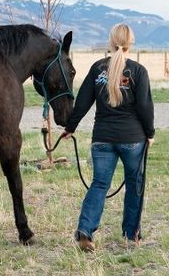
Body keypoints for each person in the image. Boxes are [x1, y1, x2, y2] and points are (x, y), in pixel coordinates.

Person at [61, 23, 154, 252]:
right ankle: (131, 235)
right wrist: (150, 133)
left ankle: (85, 230)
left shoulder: (97, 69)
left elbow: (82, 102)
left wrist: (70, 127)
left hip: (102, 138)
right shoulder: (138, 71)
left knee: (99, 184)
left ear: (110, 42)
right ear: (130, 42)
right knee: (135, 186)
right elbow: (144, 106)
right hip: (133, 139)